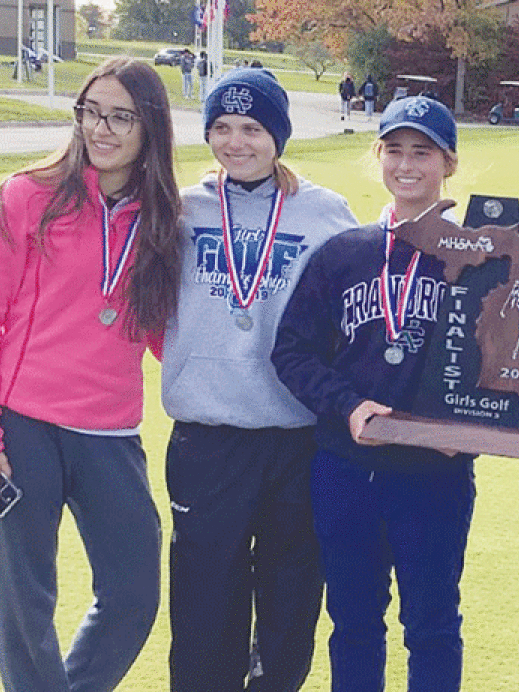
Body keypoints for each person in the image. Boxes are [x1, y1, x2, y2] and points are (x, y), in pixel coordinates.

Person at [0, 56, 180, 691]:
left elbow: (166, 336)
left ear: (149, 126)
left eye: (120, 117)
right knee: (23, 611)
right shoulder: (28, 195)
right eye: (91, 112)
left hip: (109, 435)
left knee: (133, 596)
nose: (101, 129)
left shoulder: (164, 220)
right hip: (21, 430)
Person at [161, 68, 358, 691]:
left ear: (279, 135)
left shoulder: (325, 212)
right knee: (204, 598)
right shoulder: (180, 207)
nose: (236, 142)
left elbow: (360, 309)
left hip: (297, 435)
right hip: (208, 435)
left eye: (252, 128)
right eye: (221, 127)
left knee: (291, 592)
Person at [271, 96, 475, 691]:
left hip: (434, 474)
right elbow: (292, 352)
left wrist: (466, 433)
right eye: (394, 151)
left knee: (432, 624)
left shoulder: (478, 260)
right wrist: (347, 403)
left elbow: (506, 374)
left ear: (449, 163)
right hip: (346, 466)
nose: (407, 165)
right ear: (379, 157)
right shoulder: (344, 253)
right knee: (354, 622)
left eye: (423, 152)